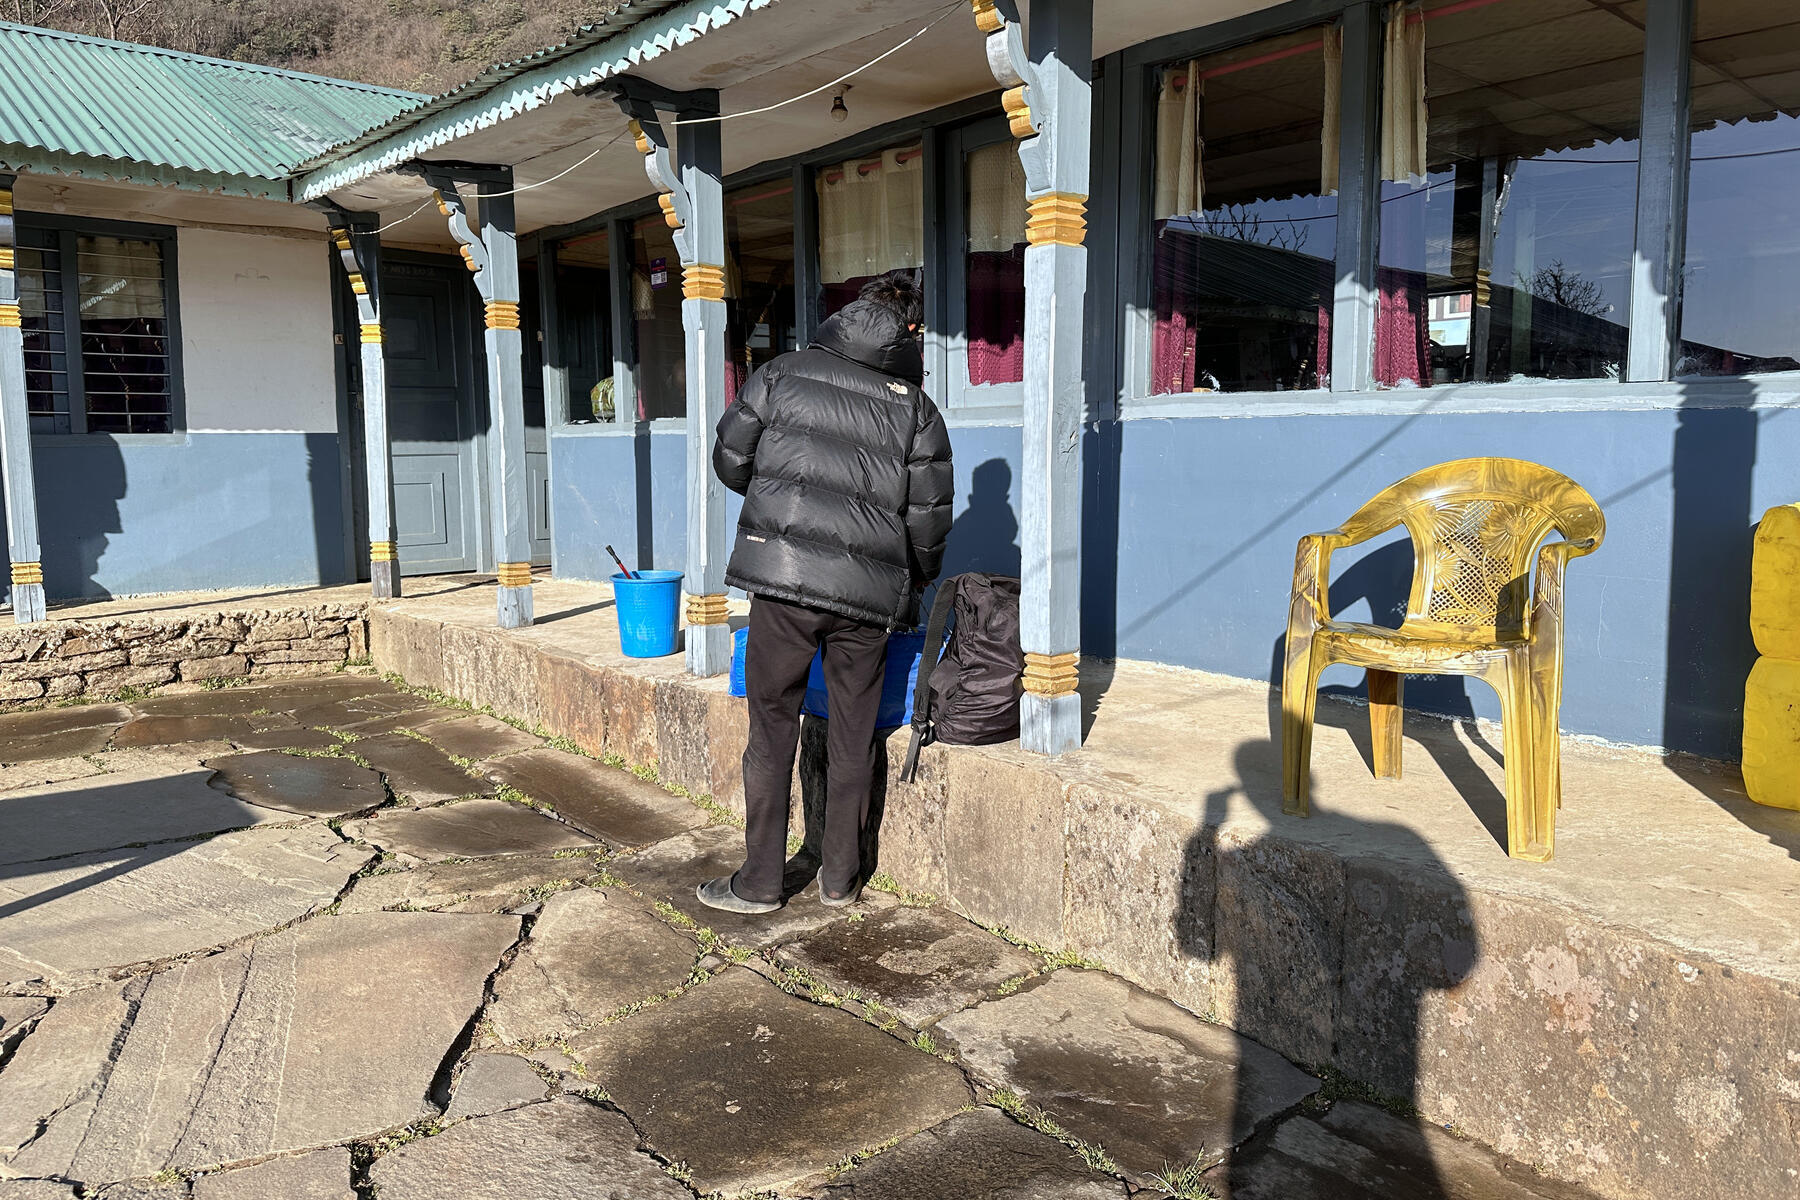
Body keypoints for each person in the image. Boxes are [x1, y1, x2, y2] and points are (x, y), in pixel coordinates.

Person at [699, 271, 953, 913]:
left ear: (850, 314)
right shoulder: (917, 408)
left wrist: (783, 500)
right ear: (910, 329)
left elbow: (730, 458)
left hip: (782, 583)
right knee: (853, 734)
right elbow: (928, 521)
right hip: (867, 599)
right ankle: (840, 880)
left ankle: (760, 883)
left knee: (771, 726)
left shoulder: (782, 373)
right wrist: (916, 579)